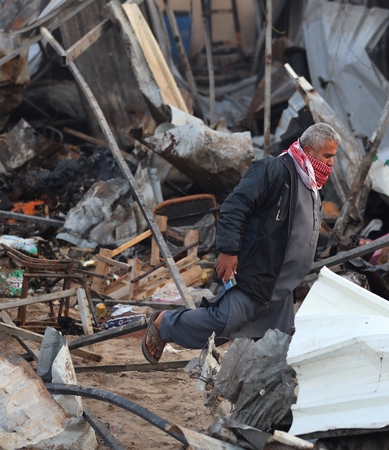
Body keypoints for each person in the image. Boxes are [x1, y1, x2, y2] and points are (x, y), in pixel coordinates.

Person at [142, 123, 340, 362]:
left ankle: (254, 392)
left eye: (333, 157)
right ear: (308, 151)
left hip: (282, 284)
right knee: (224, 321)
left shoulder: (312, 184)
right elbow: (235, 207)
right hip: (256, 272)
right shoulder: (274, 170)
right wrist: (228, 250)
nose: (331, 163)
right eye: (327, 156)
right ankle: (165, 324)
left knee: (276, 343)